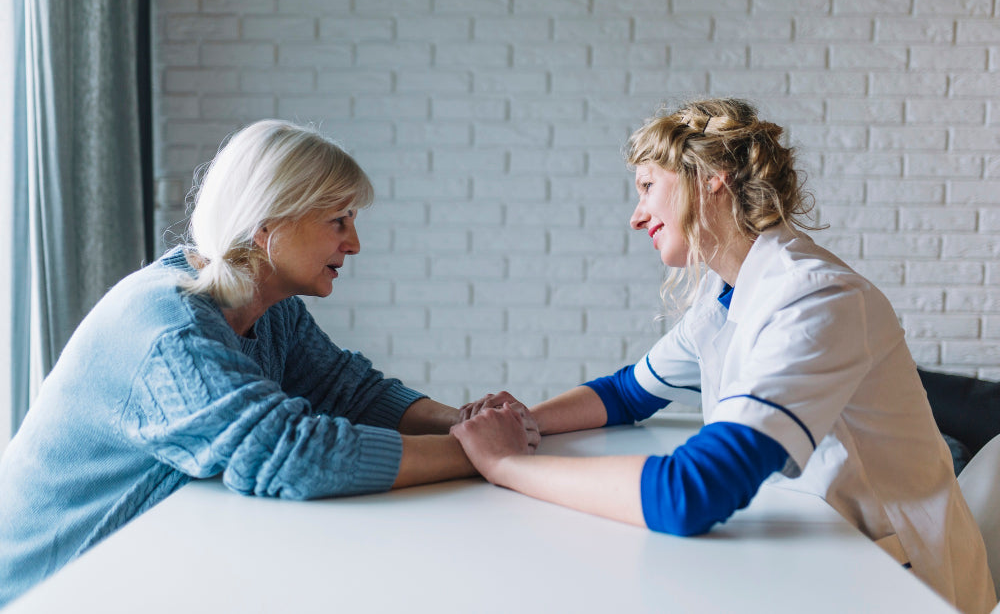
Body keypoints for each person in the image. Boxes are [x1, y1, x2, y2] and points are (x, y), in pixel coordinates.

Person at [451, 98, 996, 614]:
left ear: (712, 179)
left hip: (902, 584)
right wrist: (522, 423)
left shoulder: (818, 299)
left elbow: (692, 492)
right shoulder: (724, 295)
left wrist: (507, 463)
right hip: (820, 555)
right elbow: (625, 393)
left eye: (647, 187)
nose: (636, 216)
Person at [0, 119, 538, 606]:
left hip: (129, 574)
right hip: (47, 591)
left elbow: (349, 390)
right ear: (266, 226)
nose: (354, 243)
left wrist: (464, 419)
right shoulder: (169, 326)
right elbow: (293, 456)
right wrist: (480, 455)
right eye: (339, 220)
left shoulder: (268, 308)